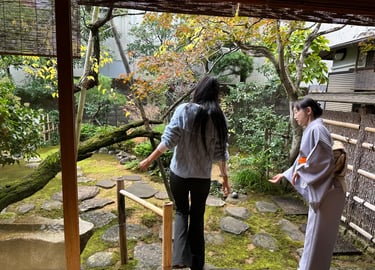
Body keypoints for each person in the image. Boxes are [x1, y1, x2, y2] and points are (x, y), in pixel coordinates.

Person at [139, 75, 230, 270]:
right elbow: (220, 153)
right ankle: (197, 264)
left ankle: (178, 259)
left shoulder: (184, 110)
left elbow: (168, 140)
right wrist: (225, 180)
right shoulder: (218, 118)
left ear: (199, 90)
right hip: (202, 178)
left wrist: (149, 159)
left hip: (179, 175)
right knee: (197, 216)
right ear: (216, 95)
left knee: (181, 212)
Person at [269, 97, 346, 270]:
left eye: (297, 111)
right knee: (314, 238)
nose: (295, 116)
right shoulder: (312, 129)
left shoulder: (317, 129)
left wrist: (301, 170)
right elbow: (304, 159)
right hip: (324, 189)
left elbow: (324, 160)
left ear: (308, 111)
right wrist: (286, 173)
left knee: (317, 239)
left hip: (327, 192)